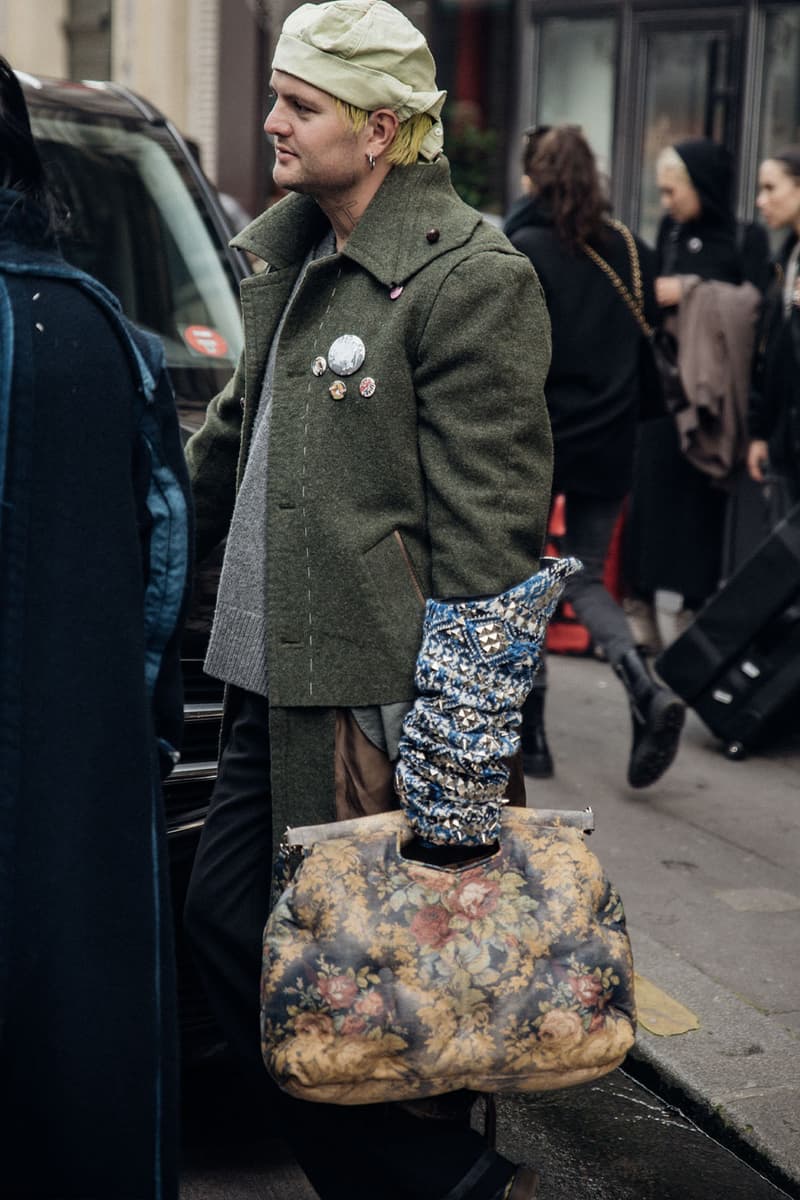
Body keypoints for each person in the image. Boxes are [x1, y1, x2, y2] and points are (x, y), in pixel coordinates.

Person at [183, 2, 556, 1197]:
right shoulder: (288, 257)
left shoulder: (470, 279)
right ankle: (435, 1183)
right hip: (259, 682)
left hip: (370, 712)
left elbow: (491, 553)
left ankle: (434, 1178)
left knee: (395, 993)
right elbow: (225, 449)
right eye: (276, 96)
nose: (271, 121)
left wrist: (452, 772)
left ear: (382, 129)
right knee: (240, 940)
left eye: (301, 104)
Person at [0, 56, 192, 1199]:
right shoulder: (104, 331)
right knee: (85, 1042)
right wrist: (137, 718)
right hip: (82, 761)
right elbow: (164, 559)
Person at [503, 124, 685, 788]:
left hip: (539, 438)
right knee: (582, 576)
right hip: (612, 440)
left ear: (535, 178)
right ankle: (642, 684)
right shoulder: (631, 250)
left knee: (520, 577)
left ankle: (537, 733)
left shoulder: (521, 249)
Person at [625, 138, 769, 647]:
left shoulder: (743, 239)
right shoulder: (672, 230)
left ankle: (689, 612)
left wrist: (690, 291)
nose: (666, 203)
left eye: (672, 191)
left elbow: (754, 306)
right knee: (649, 497)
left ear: (701, 186)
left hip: (712, 397)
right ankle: (639, 604)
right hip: (667, 389)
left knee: (699, 504)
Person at [748, 146, 800, 508]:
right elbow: (774, 356)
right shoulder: (785, 259)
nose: (760, 201)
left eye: (771, 188)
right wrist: (761, 433)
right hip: (787, 440)